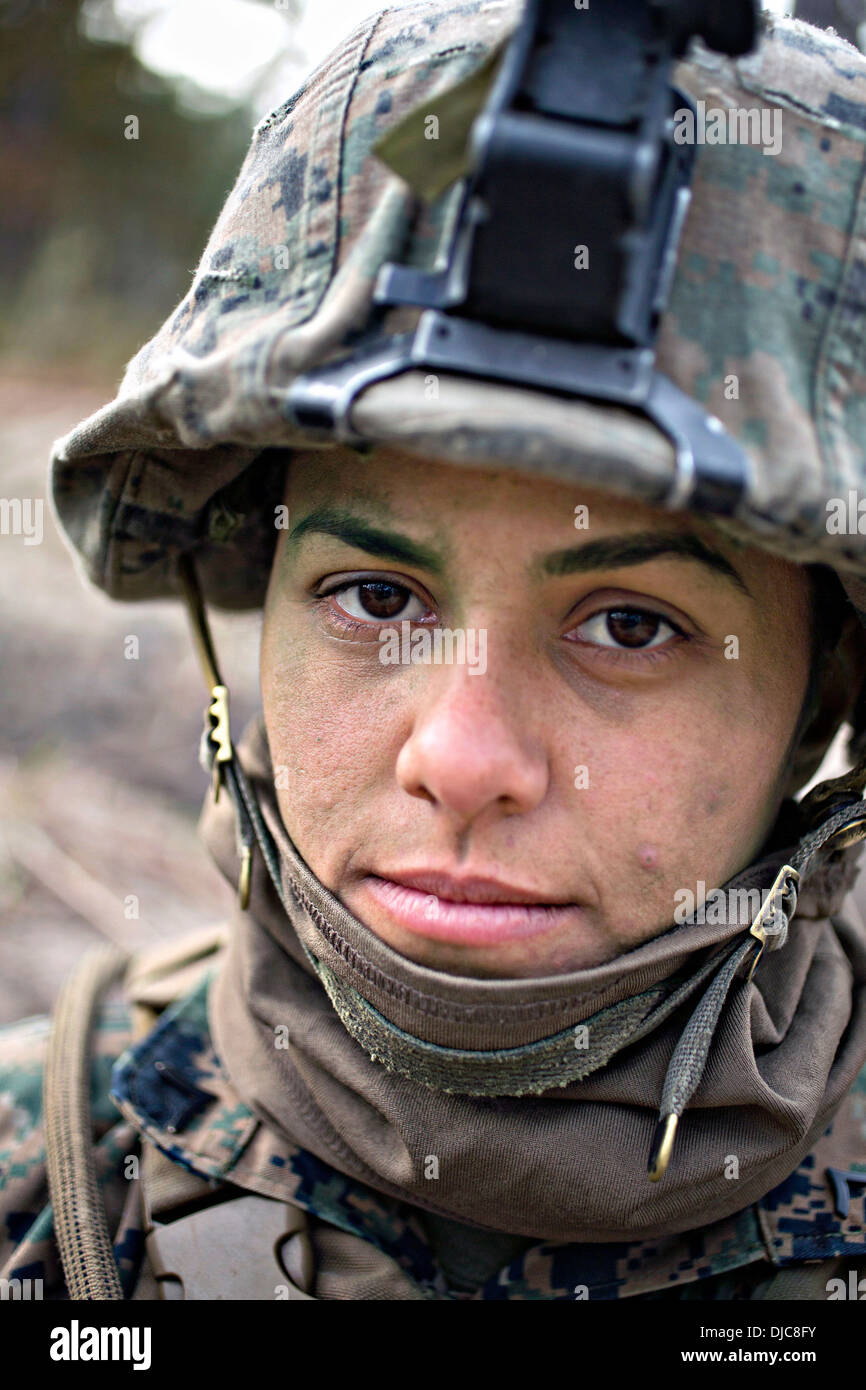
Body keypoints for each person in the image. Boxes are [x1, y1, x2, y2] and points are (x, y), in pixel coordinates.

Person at [4, 0, 866, 1302]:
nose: (461, 760)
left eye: (629, 625)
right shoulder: (41, 1172)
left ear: (823, 691)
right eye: (371, 593)